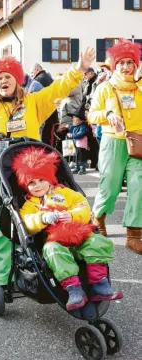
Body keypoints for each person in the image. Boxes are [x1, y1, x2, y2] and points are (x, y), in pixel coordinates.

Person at [0, 48, 96, 289]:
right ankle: (1, 280)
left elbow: (58, 88)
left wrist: (78, 69)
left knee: (37, 222)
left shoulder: (33, 102)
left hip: (30, 178)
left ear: (17, 80)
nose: (3, 81)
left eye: (8, 76)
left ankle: (45, 270)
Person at [13, 146, 123, 311]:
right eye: (32, 183)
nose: (37, 186)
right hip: (53, 243)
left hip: (78, 237)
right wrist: (42, 218)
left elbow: (83, 206)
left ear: (50, 178)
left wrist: (72, 215)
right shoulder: (29, 204)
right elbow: (27, 223)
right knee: (52, 250)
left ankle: (99, 284)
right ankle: (74, 289)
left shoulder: (65, 193)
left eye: (41, 180)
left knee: (96, 241)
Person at [88, 39, 142, 254]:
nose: (126, 67)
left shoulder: (140, 89)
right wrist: (108, 115)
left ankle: (134, 233)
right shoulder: (104, 88)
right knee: (109, 186)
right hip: (113, 142)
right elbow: (92, 115)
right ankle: (98, 217)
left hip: (137, 142)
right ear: (114, 65)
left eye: (131, 63)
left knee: (139, 185)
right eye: (122, 63)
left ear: (136, 66)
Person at [68, 106, 91, 175]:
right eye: (74, 119)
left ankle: (82, 168)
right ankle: (77, 167)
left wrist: (72, 135)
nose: (75, 121)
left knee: (82, 156)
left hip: (82, 145)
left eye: (77, 120)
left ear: (81, 120)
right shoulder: (74, 126)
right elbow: (70, 132)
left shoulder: (83, 126)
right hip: (77, 144)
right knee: (76, 156)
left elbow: (81, 134)